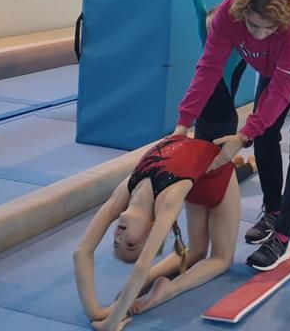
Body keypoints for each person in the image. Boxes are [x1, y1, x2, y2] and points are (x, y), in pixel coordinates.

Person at [172, 0, 290, 271]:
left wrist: (242, 136)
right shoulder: (227, 15)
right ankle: (273, 211)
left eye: (269, 28)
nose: (261, 35)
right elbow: (209, 67)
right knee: (265, 136)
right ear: (242, 13)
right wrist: (183, 123)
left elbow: (282, 89)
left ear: (281, 22)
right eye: (253, 26)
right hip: (275, 67)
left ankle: (282, 237)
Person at [73, 135, 240, 331]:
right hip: (208, 172)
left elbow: (84, 252)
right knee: (212, 256)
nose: (120, 238)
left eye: (118, 243)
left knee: (206, 254)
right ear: (150, 227)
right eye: (129, 244)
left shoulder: (128, 189)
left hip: (208, 171)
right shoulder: (164, 200)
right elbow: (85, 253)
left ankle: (159, 285)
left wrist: (106, 320)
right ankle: (165, 287)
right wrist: (97, 313)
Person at [178, 0, 256, 180]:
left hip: (224, 121)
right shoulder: (207, 43)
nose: (213, 35)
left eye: (217, 29)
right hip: (203, 118)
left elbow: (244, 9)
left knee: (217, 176)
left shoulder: (236, 51)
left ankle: (250, 166)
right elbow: (198, 6)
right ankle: (237, 162)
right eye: (209, 29)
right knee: (201, 171)